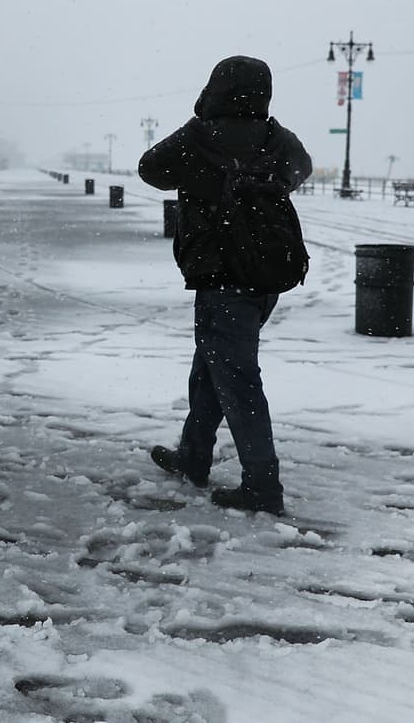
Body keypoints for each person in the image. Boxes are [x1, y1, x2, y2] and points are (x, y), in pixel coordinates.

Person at [138, 55, 312, 516]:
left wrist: (201, 126)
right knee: (211, 369)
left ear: (214, 87)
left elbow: (150, 169)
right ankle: (193, 457)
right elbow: (303, 167)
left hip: (220, 278)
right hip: (266, 277)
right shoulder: (278, 138)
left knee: (237, 381)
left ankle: (262, 486)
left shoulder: (200, 136)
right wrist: (265, 182)